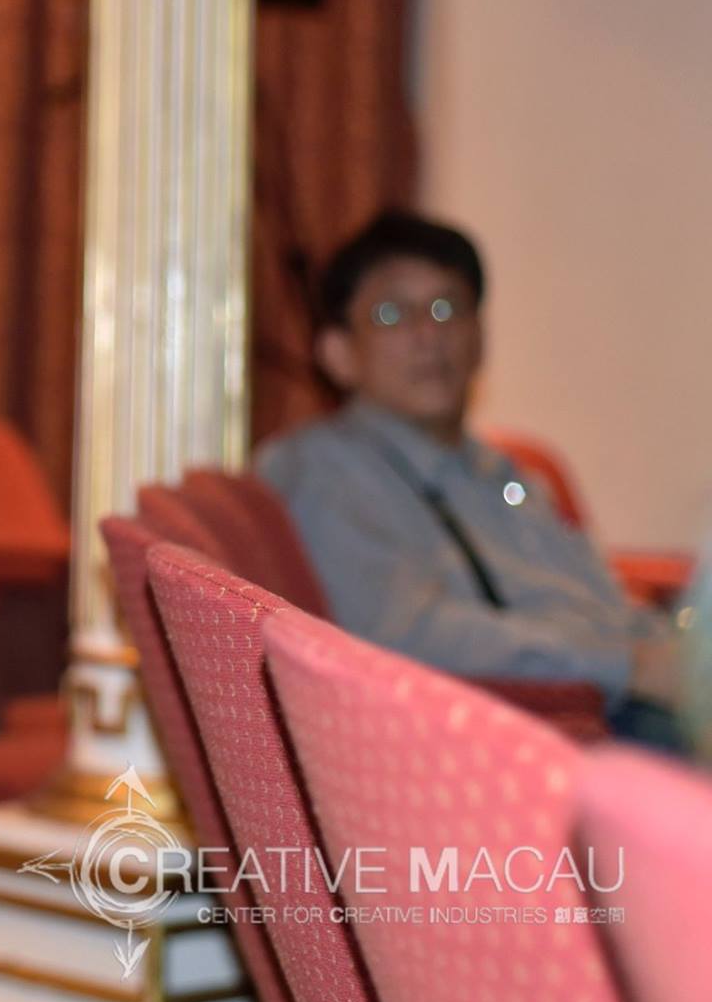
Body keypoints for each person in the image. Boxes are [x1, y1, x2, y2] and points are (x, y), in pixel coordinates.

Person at [258, 210, 683, 746]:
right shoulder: (325, 468)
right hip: (532, 732)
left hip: (627, 700)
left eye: (447, 307)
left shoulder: (508, 473)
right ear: (338, 353)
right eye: (392, 313)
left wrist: (678, 658)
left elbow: (602, 604)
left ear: (480, 336)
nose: (428, 334)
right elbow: (404, 634)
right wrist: (629, 665)